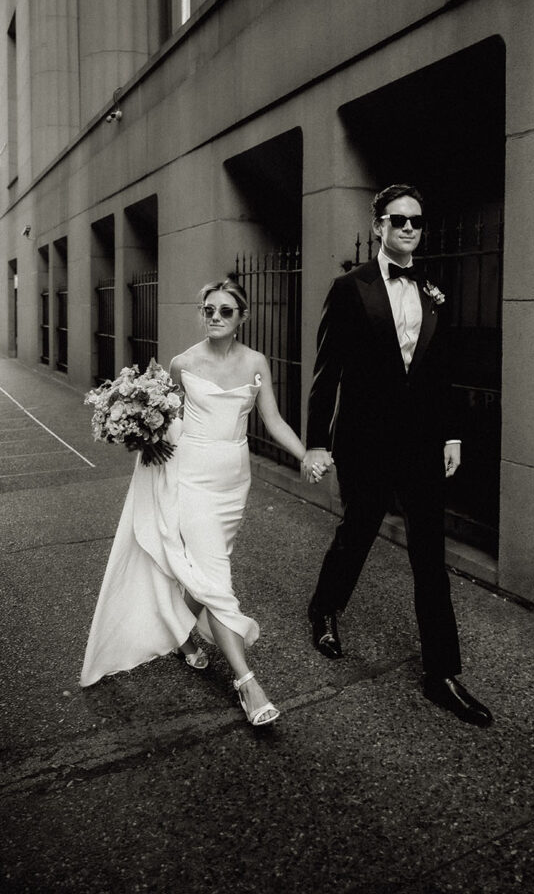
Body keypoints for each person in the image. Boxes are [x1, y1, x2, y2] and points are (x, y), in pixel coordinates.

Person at [80, 275, 311, 727]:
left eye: (226, 311)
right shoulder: (182, 363)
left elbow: (274, 420)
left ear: (242, 317)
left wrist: (306, 457)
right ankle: (247, 683)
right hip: (192, 479)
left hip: (234, 483)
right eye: (209, 311)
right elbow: (164, 416)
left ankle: (184, 632)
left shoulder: (256, 362)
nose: (216, 318)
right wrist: (144, 438)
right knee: (217, 580)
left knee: (207, 572)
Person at [302, 184, 493, 727]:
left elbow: (443, 371)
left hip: (422, 445)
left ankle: (442, 675)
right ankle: (324, 608)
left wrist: (452, 435)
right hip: (364, 442)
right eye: (398, 220)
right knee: (357, 533)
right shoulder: (350, 288)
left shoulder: (434, 289)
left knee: (430, 556)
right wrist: (317, 442)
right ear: (379, 226)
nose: (409, 228)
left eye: (416, 220)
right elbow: (326, 373)